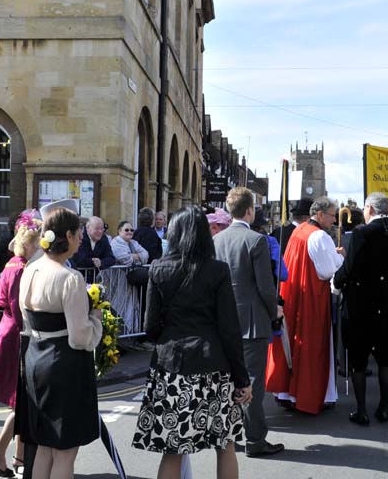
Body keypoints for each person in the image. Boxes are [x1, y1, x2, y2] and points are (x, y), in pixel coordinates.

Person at [134, 206, 253, 478]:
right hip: (214, 366)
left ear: (174, 233)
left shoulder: (158, 269)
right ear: (203, 234)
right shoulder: (217, 270)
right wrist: (242, 379)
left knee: (173, 449)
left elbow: (150, 328)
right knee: (225, 445)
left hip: (171, 367)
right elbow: (229, 329)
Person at [19, 207, 103, 478]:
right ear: (68, 235)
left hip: (34, 359)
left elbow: (26, 319)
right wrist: (97, 320)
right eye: (79, 233)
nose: (81, 239)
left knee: (45, 445)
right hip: (64, 364)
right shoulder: (70, 278)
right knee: (66, 451)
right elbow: (80, 337)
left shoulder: (30, 270)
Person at [213, 188, 282, 458]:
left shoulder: (217, 241)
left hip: (223, 320)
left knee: (229, 380)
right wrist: (273, 310)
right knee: (252, 382)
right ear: (250, 210)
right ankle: (254, 440)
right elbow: (266, 287)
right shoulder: (257, 240)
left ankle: (232, 435)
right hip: (252, 321)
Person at [267, 197, 344, 414]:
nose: (334, 219)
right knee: (313, 347)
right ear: (319, 214)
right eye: (332, 215)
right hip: (312, 298)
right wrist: (340, 258)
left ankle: (287, 393)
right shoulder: (319, 236)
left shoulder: (299, 230)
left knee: (293, 345)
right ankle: (309, 395)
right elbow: (327, 271)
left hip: (294, 295)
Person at [332, 193, 388, 425]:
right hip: (387, 301)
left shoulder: (361, 233)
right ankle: (383, 408)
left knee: (358, 359)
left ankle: (361, 410)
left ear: (370, 209)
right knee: (386, 358)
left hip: (361, 302)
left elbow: (350, 267)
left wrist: (337, 281)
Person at [0, 210, 42, 478]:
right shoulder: (21, 268)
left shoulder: (11, 264)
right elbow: (21, 311)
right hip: (16, 336)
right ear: (29, 243)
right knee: (22, 402)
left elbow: (1, 302)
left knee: (21, 401)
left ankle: (18, 457)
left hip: (8, 333)